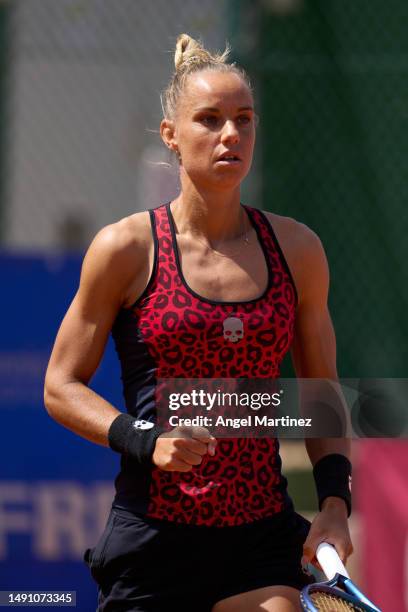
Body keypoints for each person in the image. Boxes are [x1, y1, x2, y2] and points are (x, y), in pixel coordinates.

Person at [44, 34, 353, 612]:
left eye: (244, 119)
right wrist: (145, 439)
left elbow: (322, 394)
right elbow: (59, 386)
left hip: (261, 539)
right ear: (171, 136)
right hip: (153, 542)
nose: (231, 134)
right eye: (209, 120)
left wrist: (334, 503)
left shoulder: (299, 249)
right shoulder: (125, 248)